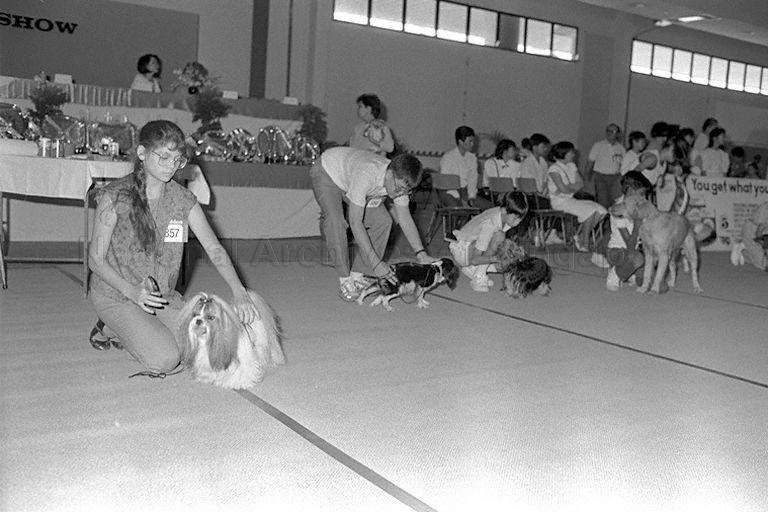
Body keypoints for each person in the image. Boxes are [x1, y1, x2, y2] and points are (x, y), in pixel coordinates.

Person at [88, 120, 257, 374]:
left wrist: (239, 290)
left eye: (177, 159)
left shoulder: (183, 200)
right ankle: (112, 324)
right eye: (164, 157)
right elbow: (95, 260)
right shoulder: (115, 196)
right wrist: (132, 292)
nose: (171, 166)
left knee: (199, 345)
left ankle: (132, 324)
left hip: (160, 297)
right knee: (167, 359)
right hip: (116, 294)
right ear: (142, 153)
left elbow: (214, 248)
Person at [310, 146, 435, 301]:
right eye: (400, 189)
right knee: (336, 222)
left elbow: (405, 219)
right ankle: (345, 281)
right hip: (327, 171)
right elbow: (355, 222)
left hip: (349, 179)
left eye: (407, 191)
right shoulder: (367, 174)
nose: (401, 194)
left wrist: (421, 253)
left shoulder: (399, 182)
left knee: (383, 221)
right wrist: (377, 264)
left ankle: (357, 276)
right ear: (389, 174)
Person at [449, 191, 528, 292]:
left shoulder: (502, 214)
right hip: (462, 249)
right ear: (504, 210)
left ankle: (473, 269)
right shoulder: (491, 224)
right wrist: (495, 259)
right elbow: (475, 259)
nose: (518, 222)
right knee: (499, 238)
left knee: (502, 245)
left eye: (520, 219)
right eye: (515, 218)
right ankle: (478, 276)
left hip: (466, 246)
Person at [547, 141, 607, 252]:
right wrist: (570, 187)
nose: (573, 155)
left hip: (570, 199)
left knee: (601, 210)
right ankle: (584, 242)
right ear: (563, 154)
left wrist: (569, 187)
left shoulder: (571, 165)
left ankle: (579, 236)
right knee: (590, 211)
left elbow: (580, 184)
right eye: (571, 153)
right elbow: (563, 189)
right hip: (559, 202)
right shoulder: (554, 169)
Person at [605, 171, 652, 291]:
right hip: (617, 251)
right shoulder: (618, 209)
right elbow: (629, 244)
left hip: (634, 250)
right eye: (641, 194)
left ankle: (630, 273)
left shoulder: (639, 206)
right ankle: (615, 274)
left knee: (647, 279)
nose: (644, 198)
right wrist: (637, 225)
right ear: (630, 190)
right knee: (638, 258)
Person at [439, 126, 489, 209]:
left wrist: (471, 197)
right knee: (459, 209)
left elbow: (472, 180)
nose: (472, 144)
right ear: (460, 142)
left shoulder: (472, 158)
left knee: (490, 208)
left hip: (465, 193)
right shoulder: (448, 158)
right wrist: (460, 198)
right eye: (470, 141)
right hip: (449, 192)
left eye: (473, 141)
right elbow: (445, 183)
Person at [585, 123, 625, 208]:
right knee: (603, 202)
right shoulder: (598, 145)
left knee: (616, 201)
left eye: (613, 131)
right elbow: (590, 162)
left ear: (618, 134)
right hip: (601, 177)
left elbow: (623, 164)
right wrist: (586, 179)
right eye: (608, 131)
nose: (610, 133)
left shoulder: (621, 148)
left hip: (616, 177)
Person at [731, 201, 768, 271]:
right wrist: (764, 250)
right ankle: (742, 249)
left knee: (761, 259)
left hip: (764, 235)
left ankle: (747, 248)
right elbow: (759, 231)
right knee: (764, 265)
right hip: (752, 233)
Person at [519, 133, 550, 198]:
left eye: (546, 147)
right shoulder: (526, 163)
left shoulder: (543, 162)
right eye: (543, 147)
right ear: (535, 148)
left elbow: (545, 182)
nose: (545, 149)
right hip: (531, 197)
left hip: (541, 196)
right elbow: (527, 186)